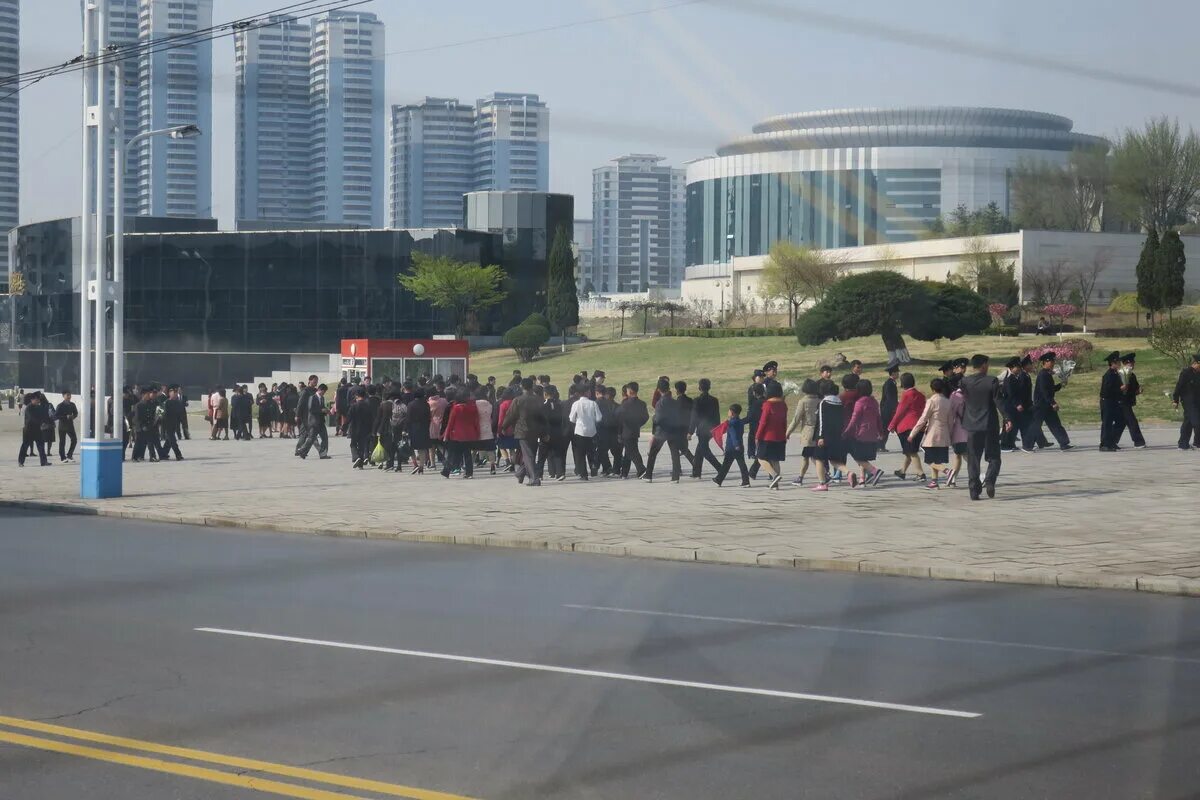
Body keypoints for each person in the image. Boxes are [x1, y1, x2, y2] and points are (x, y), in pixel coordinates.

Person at [960, 354, 1012, 500]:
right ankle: (989, 480)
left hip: (972, 425)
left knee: (973, 459)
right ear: (983, 365)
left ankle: (974, 490)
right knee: (994, 456)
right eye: (987, 364)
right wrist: (1007, 418)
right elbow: (998, 401)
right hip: (989, 424)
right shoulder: (991, 381)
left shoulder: (965, 381)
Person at [908, 378, 953, 490]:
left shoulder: (931, 401)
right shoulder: (948, 401)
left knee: (929, 460)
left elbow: (923, 419)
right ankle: (934, 481)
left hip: (933, 434)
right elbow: (951, 420)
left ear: (932, 389)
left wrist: (912, 433)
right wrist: (950, 435)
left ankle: (947, 471)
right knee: (937, 459)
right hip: (944, 433)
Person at [501, 377, 546, 486]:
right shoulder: (539, 400)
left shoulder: (518, 400)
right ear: (532, 386)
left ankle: (534, 478)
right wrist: (545, 432)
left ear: (522, 386)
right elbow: (544, 417)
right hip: (536, 431)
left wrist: (504, 427)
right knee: (530, 455)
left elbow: (510, 415)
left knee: (528, 455)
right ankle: (521, 473)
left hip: (522, 430)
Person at [843, 378, 884, 487]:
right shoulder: (874, 402)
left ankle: (875, 471)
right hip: (872, 433)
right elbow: (878, 418)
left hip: (861, 433)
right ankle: (862, 478)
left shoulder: (859, 403)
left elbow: (854, 420)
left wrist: (846, 431)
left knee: (857, 456)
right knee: (863, 456)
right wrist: (881, 431)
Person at [888, 373, 927, 482]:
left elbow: (899, 411)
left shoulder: (906, 395)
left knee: (911, 452)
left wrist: (891, 425)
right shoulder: (920, 395)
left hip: (907, 426)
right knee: (909, 451)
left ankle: (921, 474)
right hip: (919, 426)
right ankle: (902, 471)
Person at [809, 379, 847, 493]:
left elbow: (821, 421)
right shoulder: (839, 402)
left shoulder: (823, 403)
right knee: (834, 459)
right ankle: (849, 473)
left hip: (824, 436)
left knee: (819, 459)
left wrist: (820, 436)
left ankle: (822, 483)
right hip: (837, 435)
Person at [1031, 352, 1072, 451]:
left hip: (1047, 404)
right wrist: (1053, 403)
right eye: (1052, 361)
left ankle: (1064, 443)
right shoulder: (1043, 375)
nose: (1053, 363)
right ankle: (1028, 445)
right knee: (1035, 426)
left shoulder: (1047, 374)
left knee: (1055, 424)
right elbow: (1045, 392)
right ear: (1046, 362)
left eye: (1053, 361)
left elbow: (1051, 389)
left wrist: (1061, 385)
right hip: (1041, 405)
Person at [754, 381, 788, 490]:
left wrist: (757, 436)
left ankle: (774, 475)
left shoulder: (767, 405)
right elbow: (784, 421)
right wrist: (784, 434)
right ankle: (775, 484)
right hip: (780, 436)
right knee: (775, 459)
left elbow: (763, 422)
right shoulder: (783, 405)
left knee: (761, 458)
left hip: (767, 436)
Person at [786, 379, 820, 485]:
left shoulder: (803, 401)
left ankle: (801, 477)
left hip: (808, 432)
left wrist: (788, 432)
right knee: (815, 456)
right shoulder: (820, 400)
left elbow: (796, 419)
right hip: (819, 431)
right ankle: (823, 475)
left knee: (808, 457)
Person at [441, 392, 480, 479]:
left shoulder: (455, 408)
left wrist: (446, 435)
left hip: (457, 435)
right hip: (470, 434)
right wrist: (477, 433)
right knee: (467, 455)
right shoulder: (473, 408)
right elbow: (476, 422)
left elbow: (450, 423)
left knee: (454, 455)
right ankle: (469, 473)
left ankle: (447, 470)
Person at [568, 382, 602, 480]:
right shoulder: (593, 403)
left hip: (580, 431)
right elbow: (599, 418)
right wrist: (593, 421)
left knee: (580, 454)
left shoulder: (576, 404)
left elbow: (571, 418)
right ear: (587, 392)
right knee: (591, 451)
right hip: (592, 431)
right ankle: (593, 468)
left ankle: (583, 474)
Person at [689, 378, 722, 479]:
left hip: (702, 429)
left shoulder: (697, 401)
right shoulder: (714, 400)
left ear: (699, 388)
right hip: (711, 428)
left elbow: (694, 417)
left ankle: (721, 469)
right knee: (700, 449)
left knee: (705, 451)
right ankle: (696, 472)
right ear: (709, 387)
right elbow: (717, 416)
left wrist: (690, 431)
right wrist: (717, 428)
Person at [712, 403, 750, 488]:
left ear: (732, 412)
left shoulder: (731, 423)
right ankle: (746, 480)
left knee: (726, 464)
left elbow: (733, 434)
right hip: (740, 445)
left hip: (731, 447)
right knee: (741, 464)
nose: (728, 412)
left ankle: (719, 479)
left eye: (729, 410)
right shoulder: (740, 422)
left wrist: (735, 444)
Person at [617, 382, 649, 479]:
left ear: (630, 391)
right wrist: (638, 424)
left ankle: (642, 470)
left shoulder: (625, 404)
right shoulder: (642, 404)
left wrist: (619, 433)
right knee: (628, 452)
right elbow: (645, 417)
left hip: (626, 431)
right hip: (635, 430)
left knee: (633, 452)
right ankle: (624, 472)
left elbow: (619, 419)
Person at [1115, 353, 1146, 449]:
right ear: (1127, 363)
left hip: (1127, 401)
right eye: (1132, 363)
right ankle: (1139, 442)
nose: (1133, 364)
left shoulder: (1132, 375)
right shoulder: (1120, 374)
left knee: (1121, 423)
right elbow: (1116, 389)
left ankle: (1109, 440)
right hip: (1121, 402)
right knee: (1132, 421)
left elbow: (1134, 390)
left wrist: (1138, 391)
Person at [1171, 353, 1200, 450]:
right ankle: (1197, 443)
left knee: (1188, 422)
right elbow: (1179, 387)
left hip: (1198, 401)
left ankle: (1183, 444)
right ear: (1196, 363)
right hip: (1188, 401)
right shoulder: (1186, 373)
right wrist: (1175, 400)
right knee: (1197, 422)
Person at [1098, 350, 1124, 452]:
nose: (1119, 364)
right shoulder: (1109, 375)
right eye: (1118, 362)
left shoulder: (1116, 373)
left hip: (1114, 401)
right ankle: (1104, 444)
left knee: (1121, 421)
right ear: (1113, 363)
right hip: (1107, 401)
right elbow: (1107, 391)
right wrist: (1120, 389)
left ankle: (1112, 441)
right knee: (1107, 423)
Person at [297, 384, 331, 459]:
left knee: (324, 438)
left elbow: (322, 407)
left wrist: (326, 411)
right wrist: (321, 410)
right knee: (311, 438)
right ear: (319, 390)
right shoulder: (312, 398)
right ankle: (302, 451)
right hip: (313, 421)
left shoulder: (322, 398)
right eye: (323, 391)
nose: (323, 393)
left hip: (321, 421)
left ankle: (323, 454)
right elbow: (311, 409)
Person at [18, 392, 52, 467]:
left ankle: (44, 462)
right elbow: (31, 418)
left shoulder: (39, 407)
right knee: (25, 446)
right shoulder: (29, 408)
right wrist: (41, 423)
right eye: (36, 400)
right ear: (32, 400)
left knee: (41, 446)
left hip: (37, 430)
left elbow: (44, 416)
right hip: (28, 430)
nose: (38, 401)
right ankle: (21, 462)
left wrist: (47, 422)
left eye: (38, 399)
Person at [595, 386, 622, 476]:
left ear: (606, 395)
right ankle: (616, 469)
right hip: (615, 431)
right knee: (617, 452)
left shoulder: (601, 405)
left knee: (603, 451)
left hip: (603, 431)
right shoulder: (618, 406)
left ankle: (607, 468)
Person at [406, 388, 433, 473]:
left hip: (413, 427)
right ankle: (421, 466)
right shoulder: (426, 405)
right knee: (422, 448)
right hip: (424, 427)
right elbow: (429, 417)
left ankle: (415, 464)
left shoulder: (410, 405)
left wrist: (406, 429)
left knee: (411, 447)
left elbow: (408, 418)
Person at [131, 387, 158, 462]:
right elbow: (137, 418)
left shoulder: (150, 404)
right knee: (138, 443)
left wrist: (153, 422)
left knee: (150, 442)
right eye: (147, 394)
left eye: (149, 394)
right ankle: (134, 457)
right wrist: (142, 426)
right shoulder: (139, 405)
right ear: (143, 395)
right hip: (140, 427)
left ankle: (152, 456)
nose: (149, 395)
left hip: (149, 426)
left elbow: (152, 415)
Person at [878, 362, 900, 452]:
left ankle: (880, 446)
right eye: (897, 372)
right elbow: (889, 398)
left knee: (886, 428)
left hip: (889, 409)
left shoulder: (892, 382)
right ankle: (880, 446)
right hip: (887, 410)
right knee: (885, 429)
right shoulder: (889, 383)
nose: (898, 374)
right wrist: (895, 408)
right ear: (893, 373)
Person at [160, 387, 186, 461]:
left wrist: (182, 423)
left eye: (176, 392)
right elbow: (161, 414)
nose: (175, 394)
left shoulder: (178, 403)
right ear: (169, 394)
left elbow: (180, 414)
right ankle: (178, 454)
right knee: (173, 440)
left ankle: (163, 453)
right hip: (167, 425)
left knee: (169, 441)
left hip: (174, 424)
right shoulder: (166, 403)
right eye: (173, 392)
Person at [55, 391, 79, 462]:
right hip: (62, 426)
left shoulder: (72, 405)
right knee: (62, 442)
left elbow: (76, 413)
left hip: (70, 425)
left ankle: (69, 455)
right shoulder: (60, 405)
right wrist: (65, 417)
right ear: (63, 396)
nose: (69, 397)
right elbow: (56, 416)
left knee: (74, 440)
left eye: (70, 395)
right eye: (67, 395)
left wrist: (73, 416)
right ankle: (62, 457)